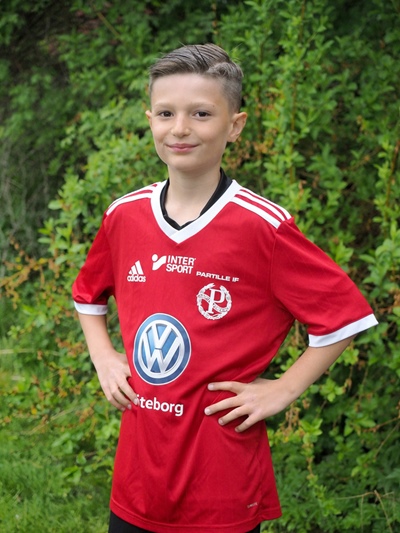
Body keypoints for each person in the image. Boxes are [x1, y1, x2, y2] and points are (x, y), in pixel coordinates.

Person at [72, 44, 378, 533]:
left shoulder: (262, 227)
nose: (180, 128)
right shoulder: (124, 215)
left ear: (235, 126)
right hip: (138, 478)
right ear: (150, 120)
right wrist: (105, 357)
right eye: (166, 113)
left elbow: (345, 316)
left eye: (201, 114)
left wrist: (284, 389)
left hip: (222, 482)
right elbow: (88, 295)